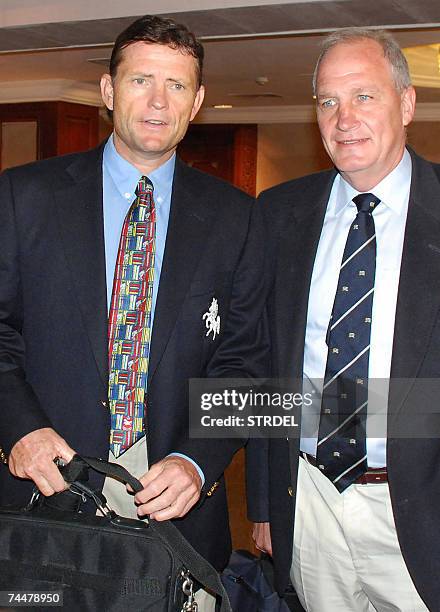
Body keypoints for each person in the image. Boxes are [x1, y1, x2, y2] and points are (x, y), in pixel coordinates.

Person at [0, 14, 268, 607]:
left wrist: (199, 460)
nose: (156, 101)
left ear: (196, 101)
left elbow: (246, 359)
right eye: (140, 80)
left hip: (176, 507)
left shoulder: (237, 216)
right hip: (47, 494)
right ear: (106, 90)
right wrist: (19, 428)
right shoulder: (24, 196)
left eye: (175, 85)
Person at [251, 27, 440, 612]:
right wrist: (265, 504)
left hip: (420, 510)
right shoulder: (280, 213)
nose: (343, 118)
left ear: (406, 104)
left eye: (364, 96)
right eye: (328, 101)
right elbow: (264, 368)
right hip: (309, 503)